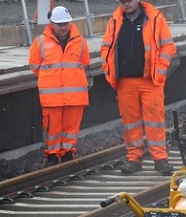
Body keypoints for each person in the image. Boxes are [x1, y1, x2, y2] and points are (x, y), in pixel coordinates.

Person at [100, 0, 176, 174]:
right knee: (130, 121)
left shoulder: (155, 17)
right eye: (122, 1)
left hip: (150, 79)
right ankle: (134, 159)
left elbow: (168, 46)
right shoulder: (115, 20)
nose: (125, 4)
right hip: (125, 80)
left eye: (129, 1)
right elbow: (106, 47)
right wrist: (108, 69)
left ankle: (160, 159)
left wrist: (160, 68)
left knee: (155, 119)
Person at [29, 6, 91, 167]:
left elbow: (85, 64)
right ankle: (52, 156)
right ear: (51, 24)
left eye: (66, 24)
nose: (63, 27)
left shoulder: (80, 42)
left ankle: (68, 155)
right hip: (52, 98)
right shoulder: (40, 43)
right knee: (53, 129)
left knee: (71, 129)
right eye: (60, 24)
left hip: (74, 97)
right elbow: (35, 67)